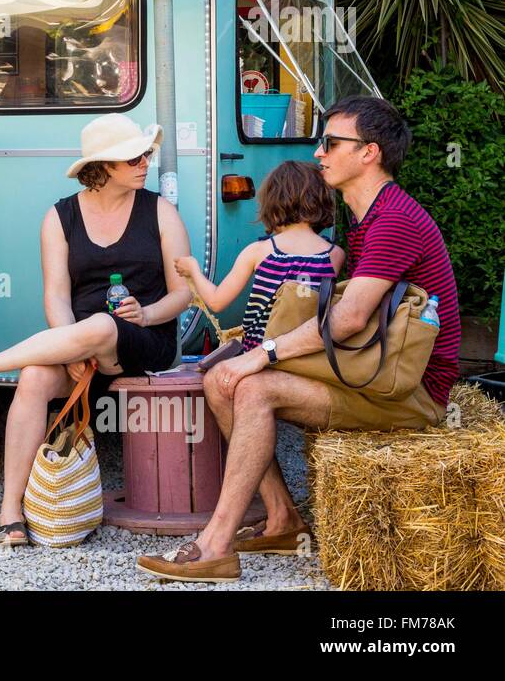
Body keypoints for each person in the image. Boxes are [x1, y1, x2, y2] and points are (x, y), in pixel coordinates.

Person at [139, 96, 461, 583]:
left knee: (250, 383)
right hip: (371, 368)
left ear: (369, 153)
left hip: (409, 392)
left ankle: (215, 545)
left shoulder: (394, 220)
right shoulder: (364, 216)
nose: (319, 153)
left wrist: (264, 354)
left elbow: (349, 320)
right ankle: (283, 518)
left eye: (332, 143)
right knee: (220, 379)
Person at [0, 113, 192, 546]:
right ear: (105, 166)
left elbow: (184, 293)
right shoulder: (60, 216)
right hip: (77, 341)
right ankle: (10, 512)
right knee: (34, 377)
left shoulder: (159, 211)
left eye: (146, 154)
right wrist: (70, 351)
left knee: (105, 325)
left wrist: (145, 315)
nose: (146, 162)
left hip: (146, 338)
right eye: (135, 157)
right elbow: (55, 297)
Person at [177, 160, 345, 365]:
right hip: (308, 355)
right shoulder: (334, 255)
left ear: (272, 203)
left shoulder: (259, 252)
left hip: (261, 356)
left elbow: (216, 301)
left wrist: (193, 269)